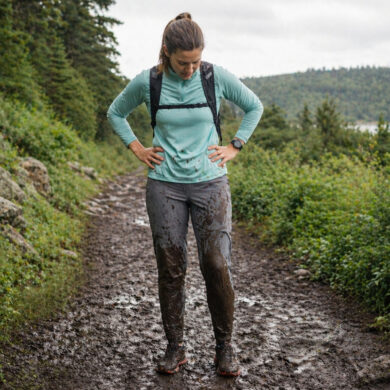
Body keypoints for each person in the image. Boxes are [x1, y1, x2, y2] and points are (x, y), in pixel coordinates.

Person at [107, 12, 263, 377]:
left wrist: (236, 145)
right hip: (164, 185)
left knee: (216, 264)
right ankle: (175, 348)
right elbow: (116, 113)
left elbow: (253, 105)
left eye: (195, 61)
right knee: (171, 268)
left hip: (211, 184)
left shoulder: (214, 76)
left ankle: (225, 348)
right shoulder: (149, 82)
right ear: (166, 52)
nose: (191, 69)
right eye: (183, 62)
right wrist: (138, 149)